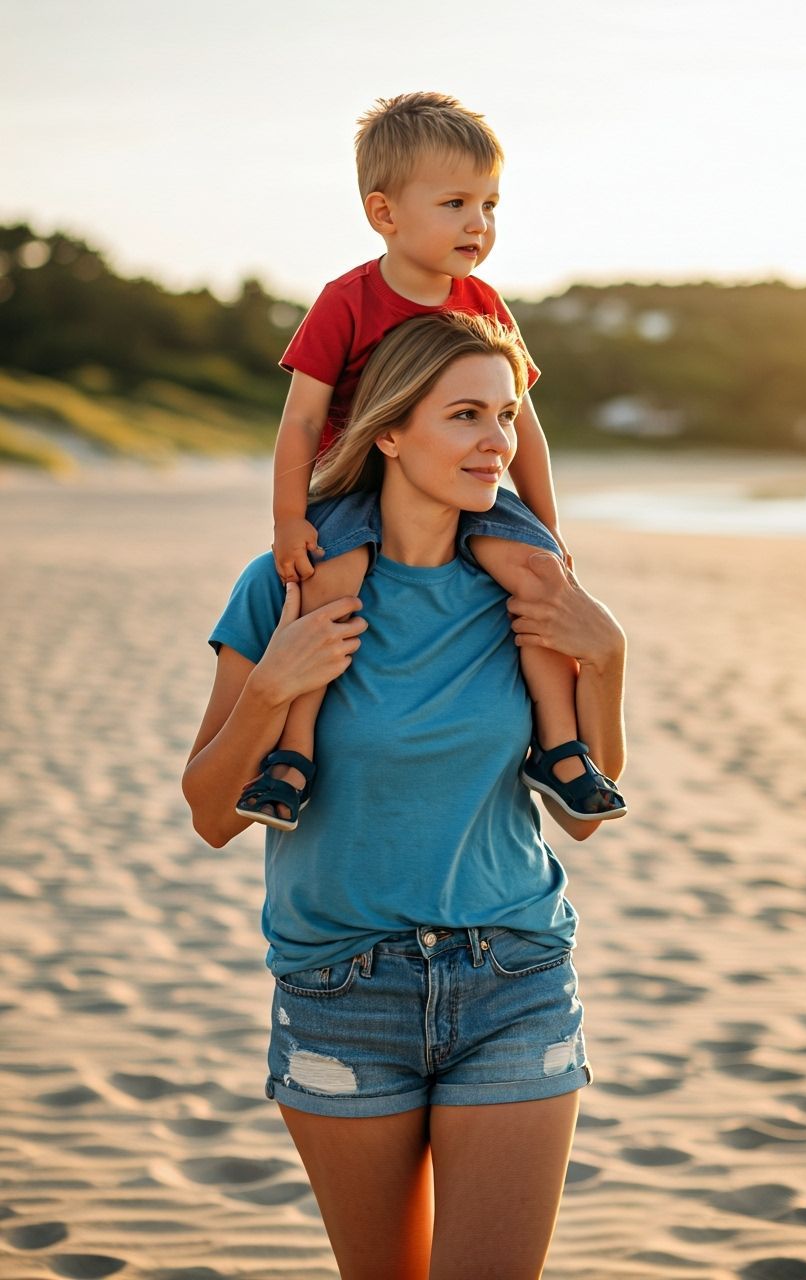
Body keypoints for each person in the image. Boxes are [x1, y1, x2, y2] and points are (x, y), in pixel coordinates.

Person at [183, 311, 627, 1279]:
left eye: (504, 417)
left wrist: (608, 659)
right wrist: (273, 684)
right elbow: (212, 812)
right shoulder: (285, 585)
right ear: (387, 430)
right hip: (341, 991)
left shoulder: (526, 589)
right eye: (464, 413)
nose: (494, 442)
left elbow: (586, 811)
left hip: (512, 976)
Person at [236, 90, 626, 831]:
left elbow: (527, 432)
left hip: (470, 490)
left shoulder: (483, 303)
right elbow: (303, 421)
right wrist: (290, 521)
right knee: (334, 581)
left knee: (538, 584)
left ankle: (561, 746)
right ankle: (292, 757)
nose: (478, 224)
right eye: (455, 203)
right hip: (358, 485)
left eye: (490, 204)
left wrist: (546, 533)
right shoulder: (345, 301)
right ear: (385, 214)